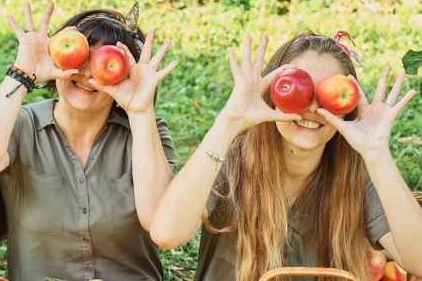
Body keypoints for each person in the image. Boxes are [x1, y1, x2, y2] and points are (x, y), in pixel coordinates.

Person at [150, 32, 422, 280]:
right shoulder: (232, 161)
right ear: (271, 95)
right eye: (299, 89)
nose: (313, 108)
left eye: (327, 95)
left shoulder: (356, 174)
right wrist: (229, 121)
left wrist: (377, 154)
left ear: (346, 109)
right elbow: (166, 233)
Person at [0, 1, 178, 280]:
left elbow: (162, 221)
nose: (86, 73)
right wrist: (22, 72)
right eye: (82, 56)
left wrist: (141, 111)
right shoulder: (22, 125)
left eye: (104, 62)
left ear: (127, 73)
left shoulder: (147, 131)